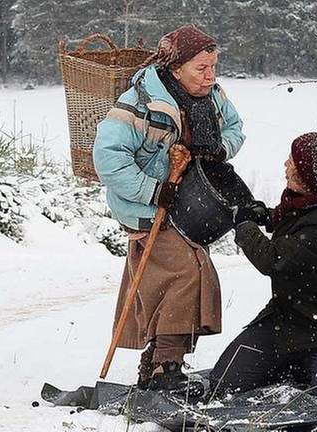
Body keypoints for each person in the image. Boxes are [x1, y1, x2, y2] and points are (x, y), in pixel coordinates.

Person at [93, 24, 245, 394]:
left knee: (176, 275)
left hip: (190, 204)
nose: (210, 76)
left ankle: (160, 363)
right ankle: (165, 364)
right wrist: (153, 190)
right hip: (149, 208)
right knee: (185, 270)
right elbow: (108, 159)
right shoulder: (139, 103)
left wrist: (218, 150)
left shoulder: (214, 97)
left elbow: (236, 129)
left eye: (213, 67)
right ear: (176, 69)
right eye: (201, 69)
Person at [209, 129, 317, 403]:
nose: (286, 165)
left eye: (293, 163)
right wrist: (267, 216)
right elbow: (296, 219)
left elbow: (271, 259)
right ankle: (299, 363)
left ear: (311, 177)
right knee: (224, 384)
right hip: (287, 320)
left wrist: (245, 225)